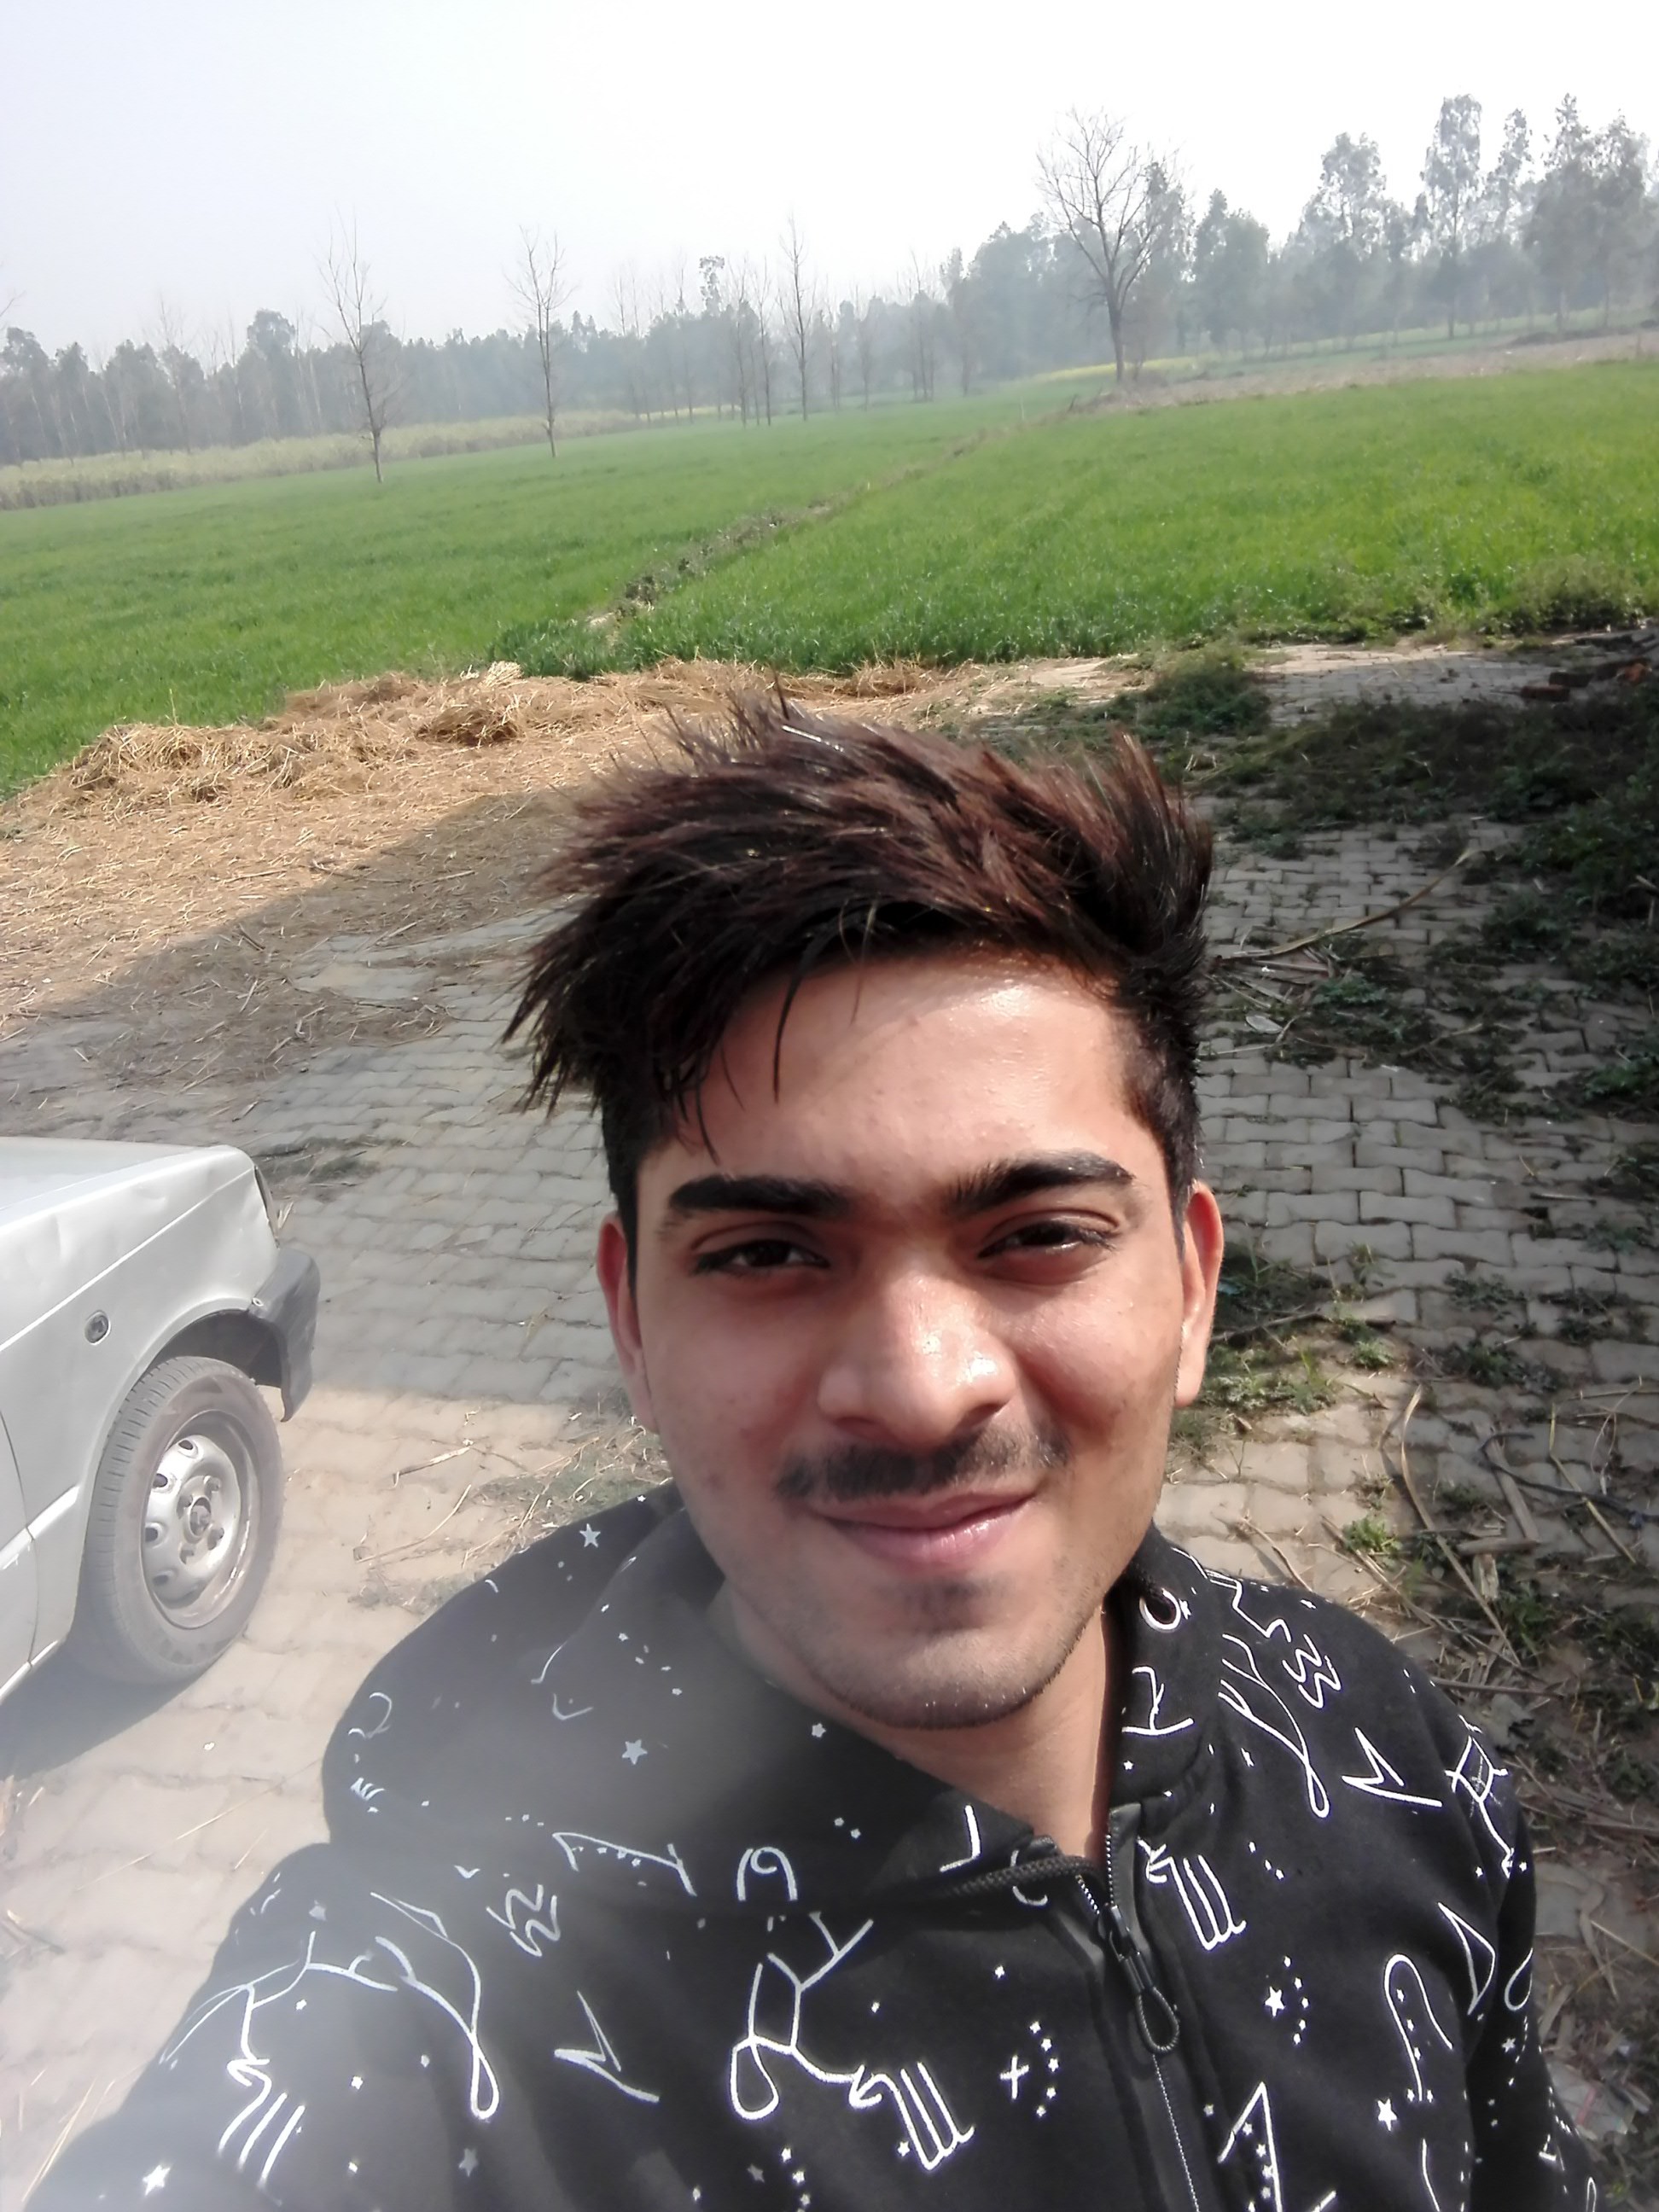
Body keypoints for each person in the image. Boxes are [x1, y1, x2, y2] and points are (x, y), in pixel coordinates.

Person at [40, 705, 1590, 2211]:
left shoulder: (1391, 1761)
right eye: (770, 1254)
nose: (920, 1392)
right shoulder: (417, 2030)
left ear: (1191, 1288)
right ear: (632, 1324)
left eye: (1039, 1236)